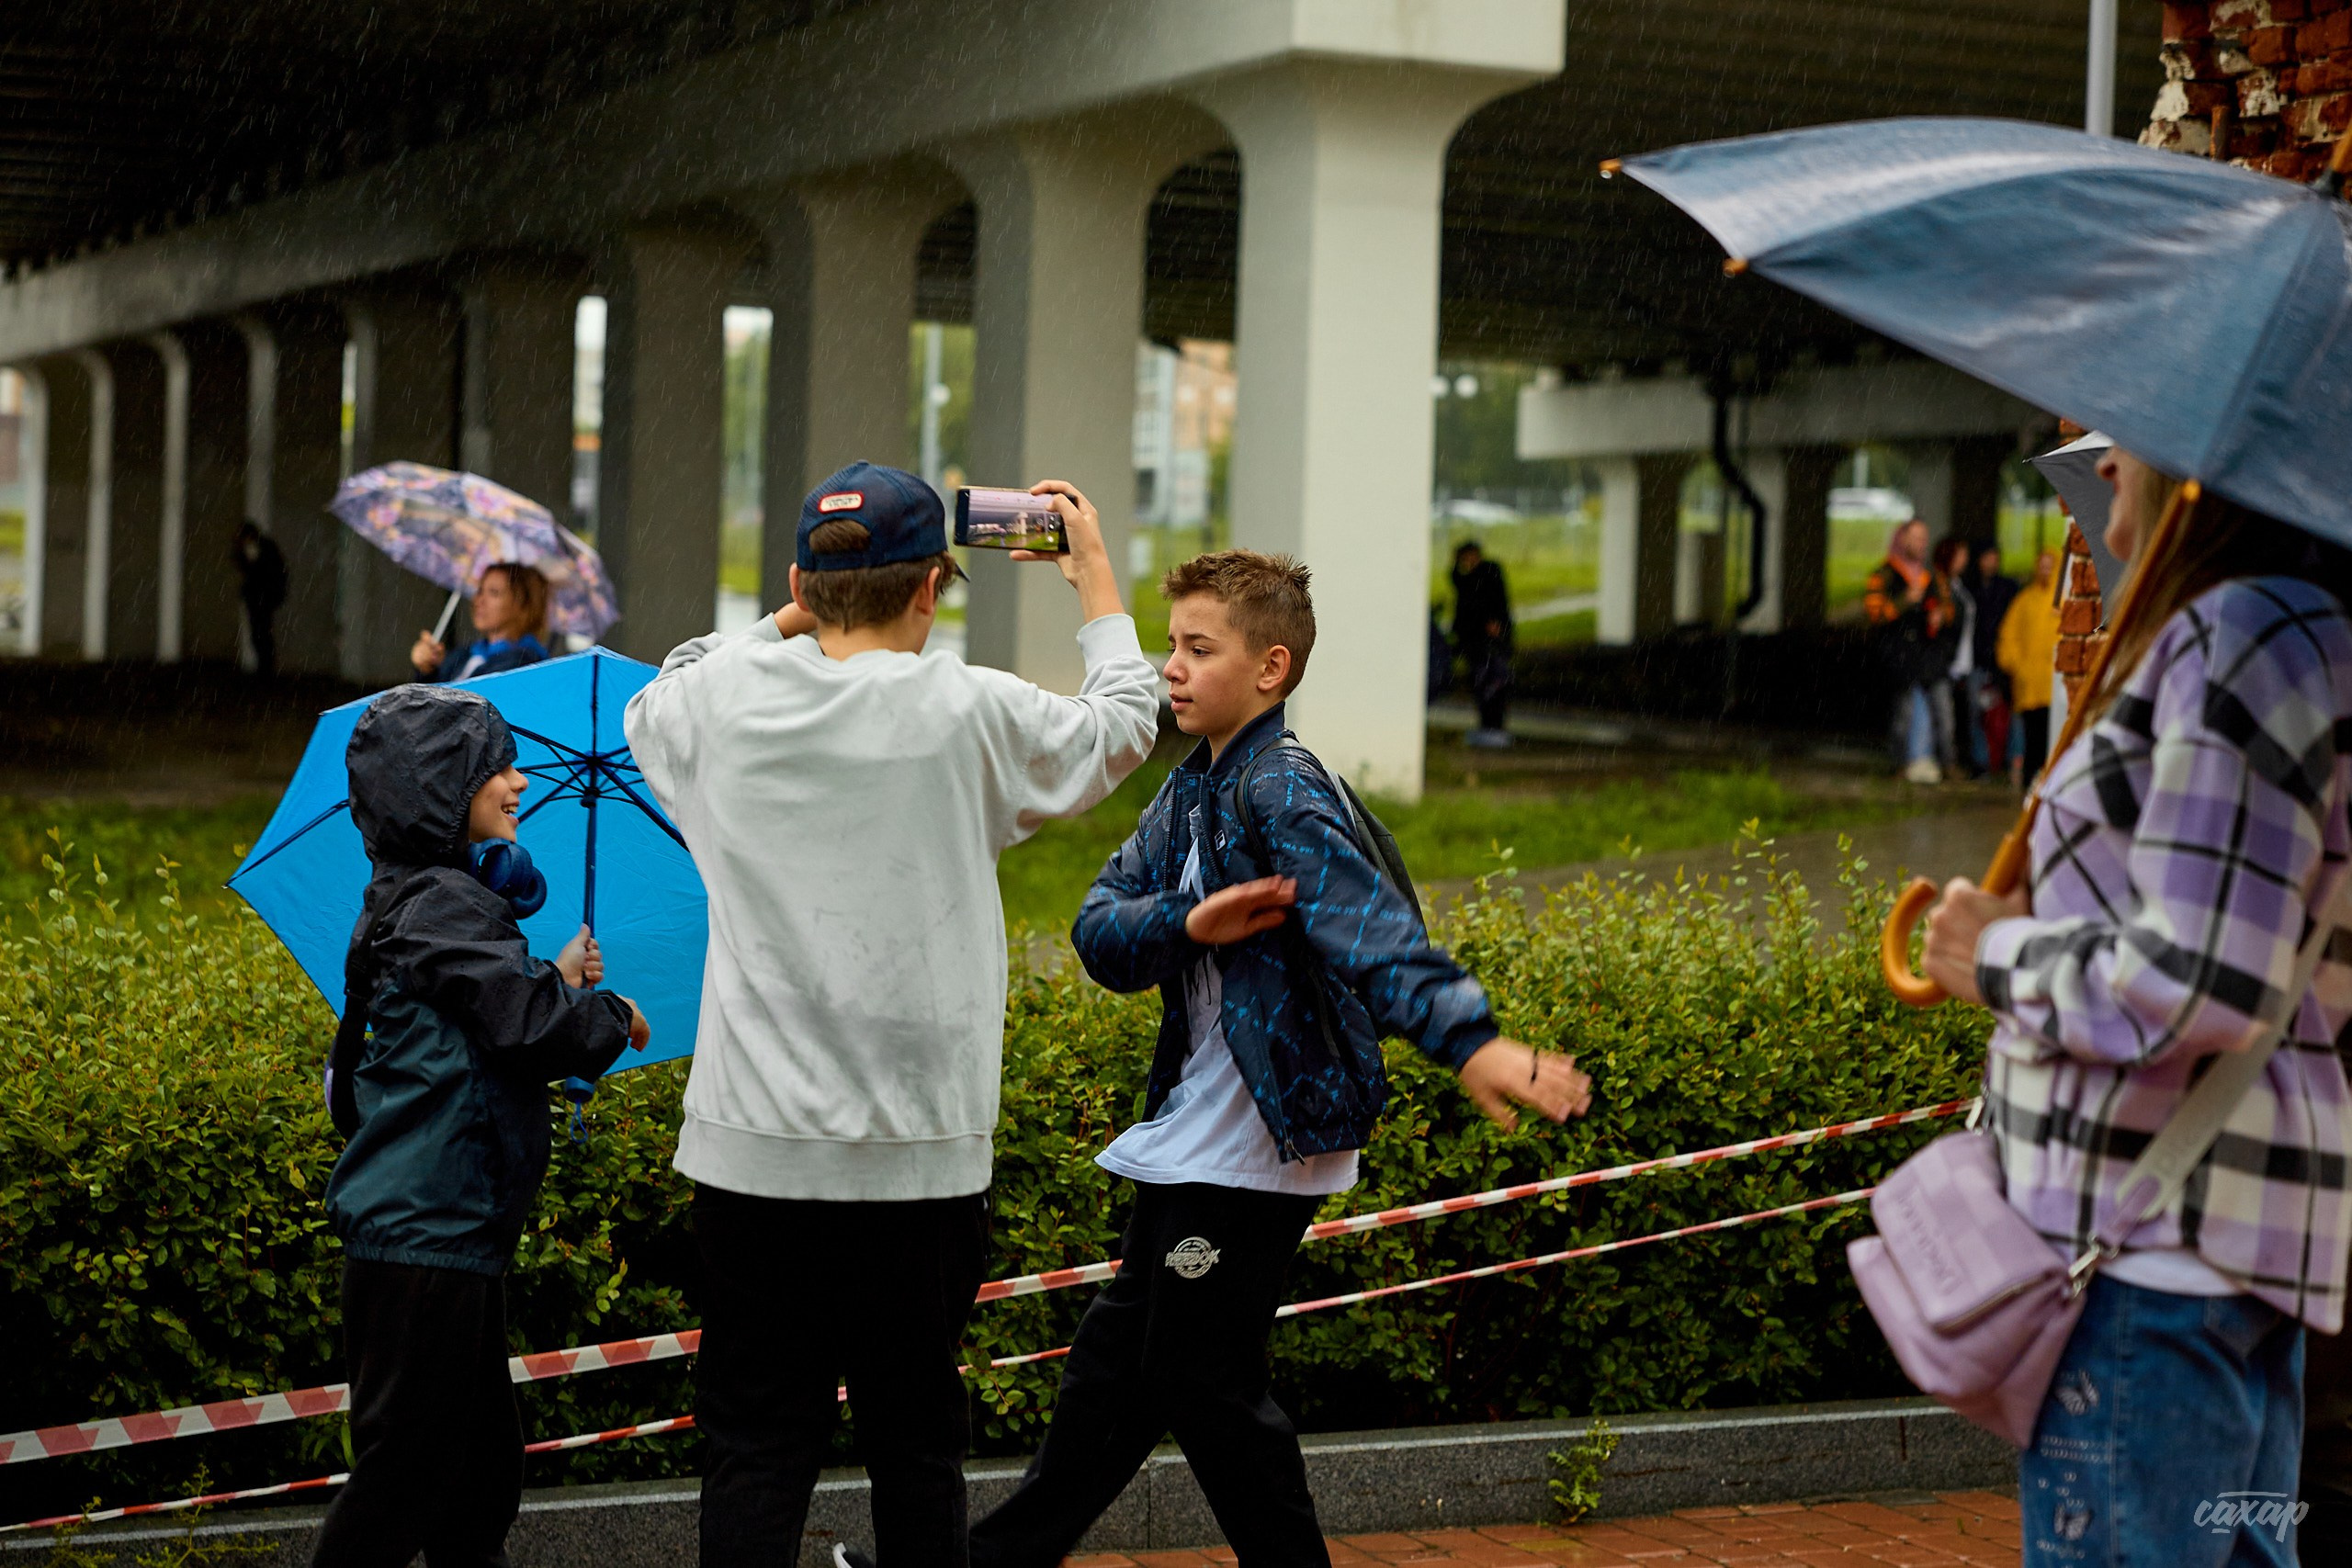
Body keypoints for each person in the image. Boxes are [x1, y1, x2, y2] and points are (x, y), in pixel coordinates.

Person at [967, 549, 1595, 1566]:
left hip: (1262, 1136)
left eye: (1196, 649)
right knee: (1121, 1378)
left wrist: (1469, 1041)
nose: (1170, 667)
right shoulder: (1192, 790)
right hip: (1203, 1130)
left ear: (1270, 668)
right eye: (1170, 645)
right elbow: (1096, 929)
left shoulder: (1283, 788)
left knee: (1199, 1388)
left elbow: (1365, 926)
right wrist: (1190, 922)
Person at [621, 461, 1159, 1567]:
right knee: (917, 1449)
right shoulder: (968, 709)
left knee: (755, 1449)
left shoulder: (712, 709)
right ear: (933, 589)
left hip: (752, 1160)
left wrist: (804, 605)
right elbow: (1123, 724)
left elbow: (666, 680)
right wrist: (1091, 573)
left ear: (797, 587)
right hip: (920, 1165)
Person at [1920, 448, 2352, 1568]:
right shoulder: (2316, 635)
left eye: (2128, 435)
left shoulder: (2238, 636)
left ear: (2210, 461)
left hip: (2146, 1261)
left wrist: (1995, 953)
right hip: (2234, 1253)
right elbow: (2305, 968)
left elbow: (2192, 977)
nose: (2102, 453)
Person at [312, 683, 650, 1568]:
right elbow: (535, 1025)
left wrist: (551, 977)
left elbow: (488, 1010)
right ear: (439, 789)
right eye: (496, 767)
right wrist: (608, 1014)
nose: (519, 779)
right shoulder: (448, 908)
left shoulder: (422, 901)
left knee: (476, 1469)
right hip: (428, 1233)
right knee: (407, 1473)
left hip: (441, 1233)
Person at [1861, 519, 1956, 784]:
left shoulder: (1933, 575)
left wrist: (1940, 614)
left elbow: (1950, 609)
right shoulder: (1884, 574)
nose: (1921, 544)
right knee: (1904, 714)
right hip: (1900, 655)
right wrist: (1904, 602)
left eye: (1924, 538)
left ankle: (1949, 764)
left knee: (1944, 712)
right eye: (1915, 538)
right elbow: (1875, 615)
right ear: (1902, 540)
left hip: (1930, 655)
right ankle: (1900, 766)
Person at [412, 562, 553, 682]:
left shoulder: (525, 662)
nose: (479, 600)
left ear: (522, 605)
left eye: (494, 593)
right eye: (480, 590)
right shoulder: (465, 653)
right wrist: (428, 668)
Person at [1994, 549, 2061, 787]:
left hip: (2054, 683)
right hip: (2029, 682)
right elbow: (2008, 635)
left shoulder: (2062, 599)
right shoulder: (2024, 600)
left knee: (2051, 735)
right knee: (2030, 735)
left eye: (2049, 565)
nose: (2045, 570)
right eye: (2041, 565)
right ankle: (2027, 780)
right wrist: (2013, 664)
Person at [1449, 541, 1514, 747]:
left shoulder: (1489, 573)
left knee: (1494, 684)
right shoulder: (1465, 578)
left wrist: (1496, 624)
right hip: (1475, 643)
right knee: (1481, 685)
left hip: (1491, 643)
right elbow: (1457, 581)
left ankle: (1495, 726)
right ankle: (1487, 727)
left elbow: (1498, 601)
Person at [1965, 542, 2019, 776]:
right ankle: (1982, 760)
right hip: (1977, 661)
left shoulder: (2007, 588)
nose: (1991, 563)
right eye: (1987, 558)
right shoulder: (1970, 588)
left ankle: (2009, 759)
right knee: (1976, 712)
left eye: (1994, 558)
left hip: (2002, 660)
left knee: (2006, 711)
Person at [1931, 536, 1978, 777]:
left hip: (1964, 660)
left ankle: (1960, 761)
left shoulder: (1959, 585)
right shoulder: (1940, 585)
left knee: (1964, 714)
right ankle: (1947, 764)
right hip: (1947, 661)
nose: (1965, 560)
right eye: (1960, 555)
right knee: (1945, 715)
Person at [233, 520, 288, 677]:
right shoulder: (246, 550)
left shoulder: (266, 548)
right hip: (256, 596)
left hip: (265, 596)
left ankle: (266, 667)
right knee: (258, 631)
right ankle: (264, 667)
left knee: (262, 631)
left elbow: (272, 571)